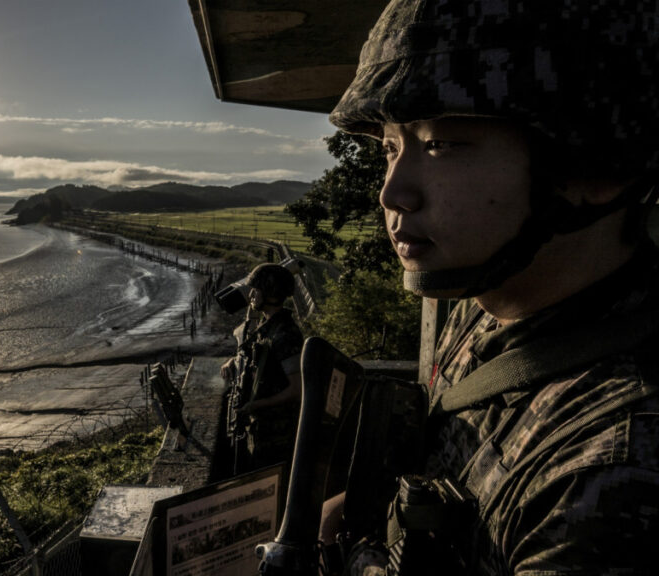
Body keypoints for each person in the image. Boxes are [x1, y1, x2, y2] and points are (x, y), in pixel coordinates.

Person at [318, 0, 659, 574]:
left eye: (441, 144)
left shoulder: (613, 478)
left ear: (596, 169)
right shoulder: (491, 300)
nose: (392, 193)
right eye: (391, 148)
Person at [219, 263, 304, 476]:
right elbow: (258, 358)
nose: (252, 296)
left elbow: (297, 389)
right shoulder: (268, 327)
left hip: (277, 434)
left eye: (256, 290)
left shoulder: (285, 335)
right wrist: (233, 362)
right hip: (262, 429)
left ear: (269, 294)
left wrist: (256, 405)